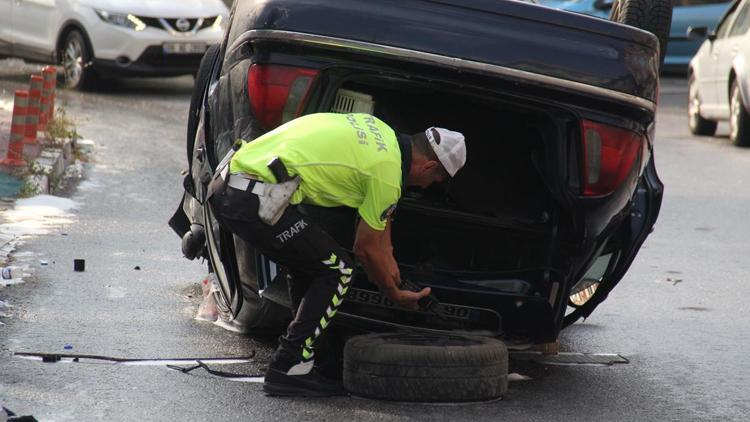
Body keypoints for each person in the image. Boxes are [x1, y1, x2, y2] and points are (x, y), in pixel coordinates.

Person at [207, 112, 467, 397]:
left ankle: (310, 362)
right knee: (338, 269)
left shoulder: (380, 133)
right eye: (434, 181)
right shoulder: (388, 174)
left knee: (312, 265)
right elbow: (365, 250)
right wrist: (394, 294)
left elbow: (382, 238)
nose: (427, 187)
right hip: (250, 196)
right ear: (429, 167)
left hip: (230, 182)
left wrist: (396, 278)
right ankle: (287, 365)